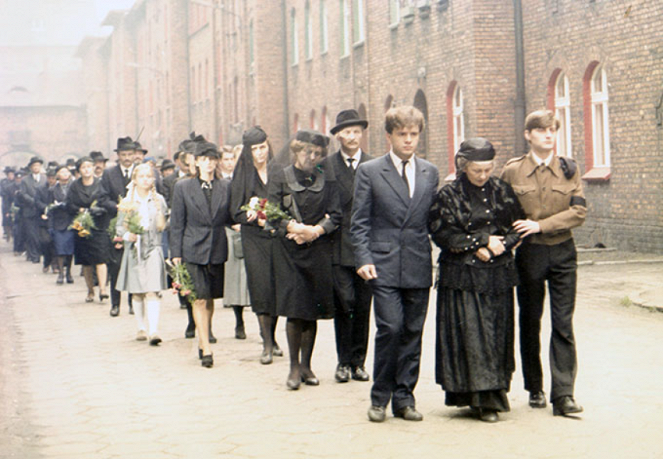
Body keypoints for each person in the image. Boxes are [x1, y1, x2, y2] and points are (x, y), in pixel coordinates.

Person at [351, 106, 439, 422]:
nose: (408, 141)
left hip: (417, 261)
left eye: (413, 134)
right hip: (383, 263)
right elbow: (358, 221)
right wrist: (363, 258)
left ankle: (405, 398)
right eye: (402, 134)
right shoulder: (371, 171)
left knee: (413, 331)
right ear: (389, 136)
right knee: (390, 327)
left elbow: (434, 220)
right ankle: (379, 398)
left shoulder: (430, 172)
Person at [428, 138, 524, 423]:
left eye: (487, 169)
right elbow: (441, 232)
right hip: (463, 275)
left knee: (497, 333)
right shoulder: (449, 195)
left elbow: (518, 226)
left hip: (498, 274)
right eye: (476, 170)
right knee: (471, 335)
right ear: (463, 166)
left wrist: (502, 244)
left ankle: (494, 394)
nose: (483, 176)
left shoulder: (501, 190)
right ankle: (476, 398)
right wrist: (479, 243)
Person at [500, 109, 586, 417]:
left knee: (563, 323)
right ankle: (534, 387)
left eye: (552, 130)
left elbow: (578, 212)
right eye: (541, 130)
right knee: (530, 320)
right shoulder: (512, 171)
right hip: (530, 254)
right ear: (528, 135)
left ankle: (563, 395)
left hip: (563, 251)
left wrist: (541, 225)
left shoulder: (569, 169)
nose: (548, 135)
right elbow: (501, 212)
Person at [269, 129, 342, 389]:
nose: (312, 157)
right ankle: (292, 368)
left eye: (317, 153)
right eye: (307, 152)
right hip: (290, 251)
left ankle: (307, 366)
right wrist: (295, 229)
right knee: (295, 309)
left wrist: (315, 231)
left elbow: (335, 213)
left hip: (318, 249)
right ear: (296, 151)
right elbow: (271, 213)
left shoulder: (326, 177)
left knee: (312, 309)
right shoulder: (281, 175)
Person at [170, 140, 232, 368]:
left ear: (216, 162)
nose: (208, 164)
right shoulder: (183, 187)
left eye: (211, 160)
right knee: (199, 298)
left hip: (216, 249)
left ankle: (204, 334)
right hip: (192, 249)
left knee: (210, 298)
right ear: (195, 162)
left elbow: (231, 215)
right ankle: (205, 346)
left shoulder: (225, 186)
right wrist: (175, 253)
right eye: (203, 160)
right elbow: (176, 223)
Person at [325, 109, 374, 383]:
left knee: (364, 305)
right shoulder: (327, 166)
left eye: (356, 131)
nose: (352, 137)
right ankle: (343, 361)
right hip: (337, 247)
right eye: (346, 132)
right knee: (345, 304)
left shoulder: (374, 164)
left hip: (365, 249)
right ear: (338, 136)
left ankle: (359, 362)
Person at [230, 128, 283, 362]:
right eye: (255, 149)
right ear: (248, 152)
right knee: (261, 287)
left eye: (263, 147)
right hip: (254, 239)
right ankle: (267, 344)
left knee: (278, 287)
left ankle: (272, 335)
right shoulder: (242, 175)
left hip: (277, 237)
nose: (261, 153)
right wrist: (250, 216)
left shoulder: (277, 170)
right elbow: (234, 211)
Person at [116, 164, 168, 345]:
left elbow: (164, 222)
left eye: (149, 176)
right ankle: (141, 327)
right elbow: (119, 226)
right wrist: (126, 235)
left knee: (152, 289)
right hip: (134, 249)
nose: (146, 179)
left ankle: (154, 330)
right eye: (142, 176)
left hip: (153, 246)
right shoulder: (127, 201)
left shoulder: (159, 200)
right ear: (135, 180)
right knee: (137, 291)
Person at [100, 138, 138, 317]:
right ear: (118, 156)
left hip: (137, 224)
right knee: (116, 265)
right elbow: (102, 198)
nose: (127, 158)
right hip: (116, 225)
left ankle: (133, 302)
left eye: (130, 155)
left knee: (134, 264)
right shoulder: (109, 174)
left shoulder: (140, 173)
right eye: (123, 155)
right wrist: (116, 207)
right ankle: (115, 304)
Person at [66, 157, 110, 303]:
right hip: (82, 226)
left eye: (89, 167)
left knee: (101, 257)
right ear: (79, 170)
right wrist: (79, 209)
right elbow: (68, 205)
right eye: (83, 167)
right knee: (86, 260)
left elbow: (107, 201)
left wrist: (100, 209)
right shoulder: (74, 186)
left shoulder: (101, 184)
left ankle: (103, 289)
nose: (87, 170)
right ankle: (90, 290)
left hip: (99, 224)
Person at [219, 145, 250, 340]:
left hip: (250, 229)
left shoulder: (250, 179)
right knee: (235, 277)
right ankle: (239, 321)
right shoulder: (224, 183)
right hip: (232, 232)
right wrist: (233, 222)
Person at [46, 165, 75, 285]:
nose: (64, 174)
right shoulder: (52, 190)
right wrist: (50, 225)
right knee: (60, 249)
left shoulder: (74, 187)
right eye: (61, 172)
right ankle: (61, 273)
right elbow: (50, 209)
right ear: (57, 175)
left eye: (66, 171)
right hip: (58, 222)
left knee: (70, 250)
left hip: (71, 221)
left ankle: (68, 272)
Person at [16, 156, 45, 264]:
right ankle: (34, 255)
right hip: (30, 210)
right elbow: (23, 194)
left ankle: (42, 253)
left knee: (41, 234)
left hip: (42, 210)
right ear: (31, 168)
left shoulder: (44, 179)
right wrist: (34, 201)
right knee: (31, 234)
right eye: (34, 166)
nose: (36, 168)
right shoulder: (25, 180)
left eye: (38, 165)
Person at [1, 167, 16, 242]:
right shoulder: (3, 182)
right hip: (6, 201)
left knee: (14, 217)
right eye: (9, 174)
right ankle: (7, 232)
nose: (11, 176)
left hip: (14, 201)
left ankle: (13, 232)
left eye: (12, 174)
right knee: (6, 217)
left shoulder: (16, 182)